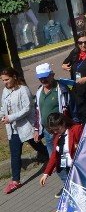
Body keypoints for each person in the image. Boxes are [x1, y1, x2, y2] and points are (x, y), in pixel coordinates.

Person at [1, 66, 46, 194]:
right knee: (15, 155)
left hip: (25, 127)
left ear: (14, 77)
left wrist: (11, 117)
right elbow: (3, 107)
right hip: (13, 129)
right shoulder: (5, 91)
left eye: (7, 79)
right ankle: (16, 180)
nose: (5, 82)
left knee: (37, 146)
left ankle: (51, 158)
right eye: (3, 80)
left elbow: (27, 108)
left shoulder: (23, 90)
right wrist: (2, 115)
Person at [33, 62, 71, 157]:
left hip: (60, 130)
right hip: (47, 131)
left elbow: (71, 108)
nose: (43, 80)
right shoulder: (39, 91)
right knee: (53, 158)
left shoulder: (62, 89)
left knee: (64, 156)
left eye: (45, 77)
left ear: (52, 75)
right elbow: (37, 111)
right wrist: (37, 129)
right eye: (40, 78)